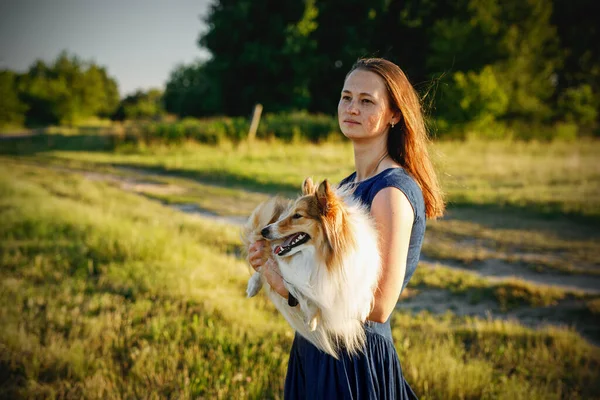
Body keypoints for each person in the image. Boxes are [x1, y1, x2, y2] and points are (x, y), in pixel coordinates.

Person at [248, 58, 445, 399]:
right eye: (346, 97)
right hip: (316, 349)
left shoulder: (391, 192)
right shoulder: (347, 187)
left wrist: (288, 289)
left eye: (366, 101)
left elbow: (379, 305)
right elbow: (325, 270)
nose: (352, 108)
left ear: (394, 115)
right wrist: (275, 257)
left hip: (354, 362)